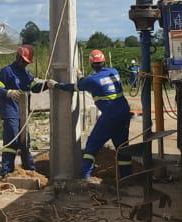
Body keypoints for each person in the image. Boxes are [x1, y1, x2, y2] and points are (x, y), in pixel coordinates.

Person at [55, 49, 133, 180]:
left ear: (91, 63)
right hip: (124, 113)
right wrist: (82, 78)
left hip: (110, 115)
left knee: (92, 144)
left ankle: (85, 176)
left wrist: (57, 85)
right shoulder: (114, 72)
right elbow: (91, 81)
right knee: (122, 146)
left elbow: (74, 87)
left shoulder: (92, 80)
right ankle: (127, 177)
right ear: (104, 61)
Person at [0, 45, 54, 177]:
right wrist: (8, 92)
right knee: (12, 140)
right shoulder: (7, 71)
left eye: (27, 62)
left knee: (25, 141)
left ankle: (29, 169)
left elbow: (34, 88)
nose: (25, 63)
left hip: (23, 112)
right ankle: (7, 171)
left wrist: (46, 85)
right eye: (24, 61)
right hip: (10, 112)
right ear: (18, 57)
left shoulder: (26, 74)